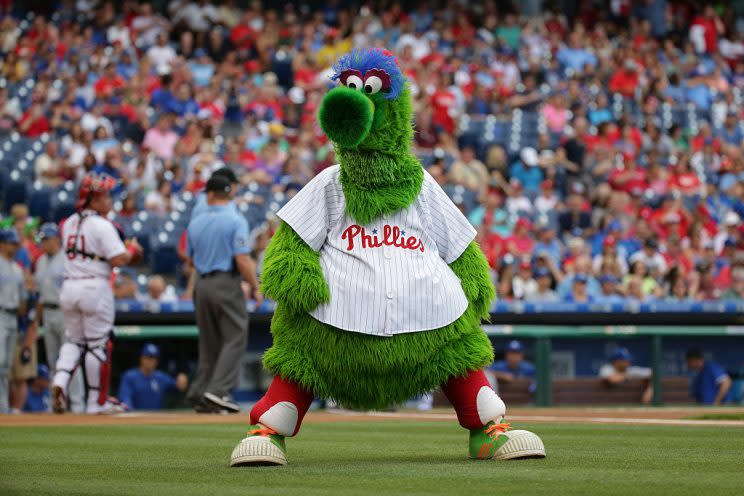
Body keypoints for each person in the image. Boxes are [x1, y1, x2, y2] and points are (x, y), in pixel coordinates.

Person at [51, 172, 143, 414]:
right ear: (92, 199)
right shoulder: (102, 225)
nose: (109, 199)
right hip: (94, 287)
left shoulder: (69, 222)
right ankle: (95, 402)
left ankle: (60, 381)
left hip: (69, 286)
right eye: (104, 195)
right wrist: (132, 249)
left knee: (74, 340)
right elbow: (119, 258)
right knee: (97, 345)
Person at [185, 175, 261, 413]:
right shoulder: (235, 219)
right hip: (225, 282)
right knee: (235, 336)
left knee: (209, 342)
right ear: (229, 194)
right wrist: (255, 286)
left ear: (209, 194)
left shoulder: (195, 222)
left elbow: (189, 259)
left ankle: (201, 391)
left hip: (202, 284)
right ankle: (218, 391)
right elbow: (242, 259)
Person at [32, 223, 84, 412]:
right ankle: (58, 404)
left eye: (46, 239)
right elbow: (39, 294)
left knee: (71, 360)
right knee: (54, 361)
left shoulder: (69, 259)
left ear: (56, 239)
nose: (43, 243)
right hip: (47, 312)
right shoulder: (40, 261)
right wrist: (36, 320)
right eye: (42, 240)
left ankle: (77, 404)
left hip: (66, 313)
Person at [0, 228, 27, 414]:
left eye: (16, 243)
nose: (14, 246)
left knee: (6, 365)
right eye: (11, 243)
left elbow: (23, 298)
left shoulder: (18, 268)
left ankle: (2, 406)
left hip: (12, 317)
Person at [118, 343, 188, 410]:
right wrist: (131, 413)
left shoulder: (160, 377)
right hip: (136, 417)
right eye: (148, 357)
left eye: (154, 358)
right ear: (142, 358)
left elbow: (179, 386)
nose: (151, 361)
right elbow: (125, 400)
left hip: (156, 419)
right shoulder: (130, 376)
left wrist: (182, 379)